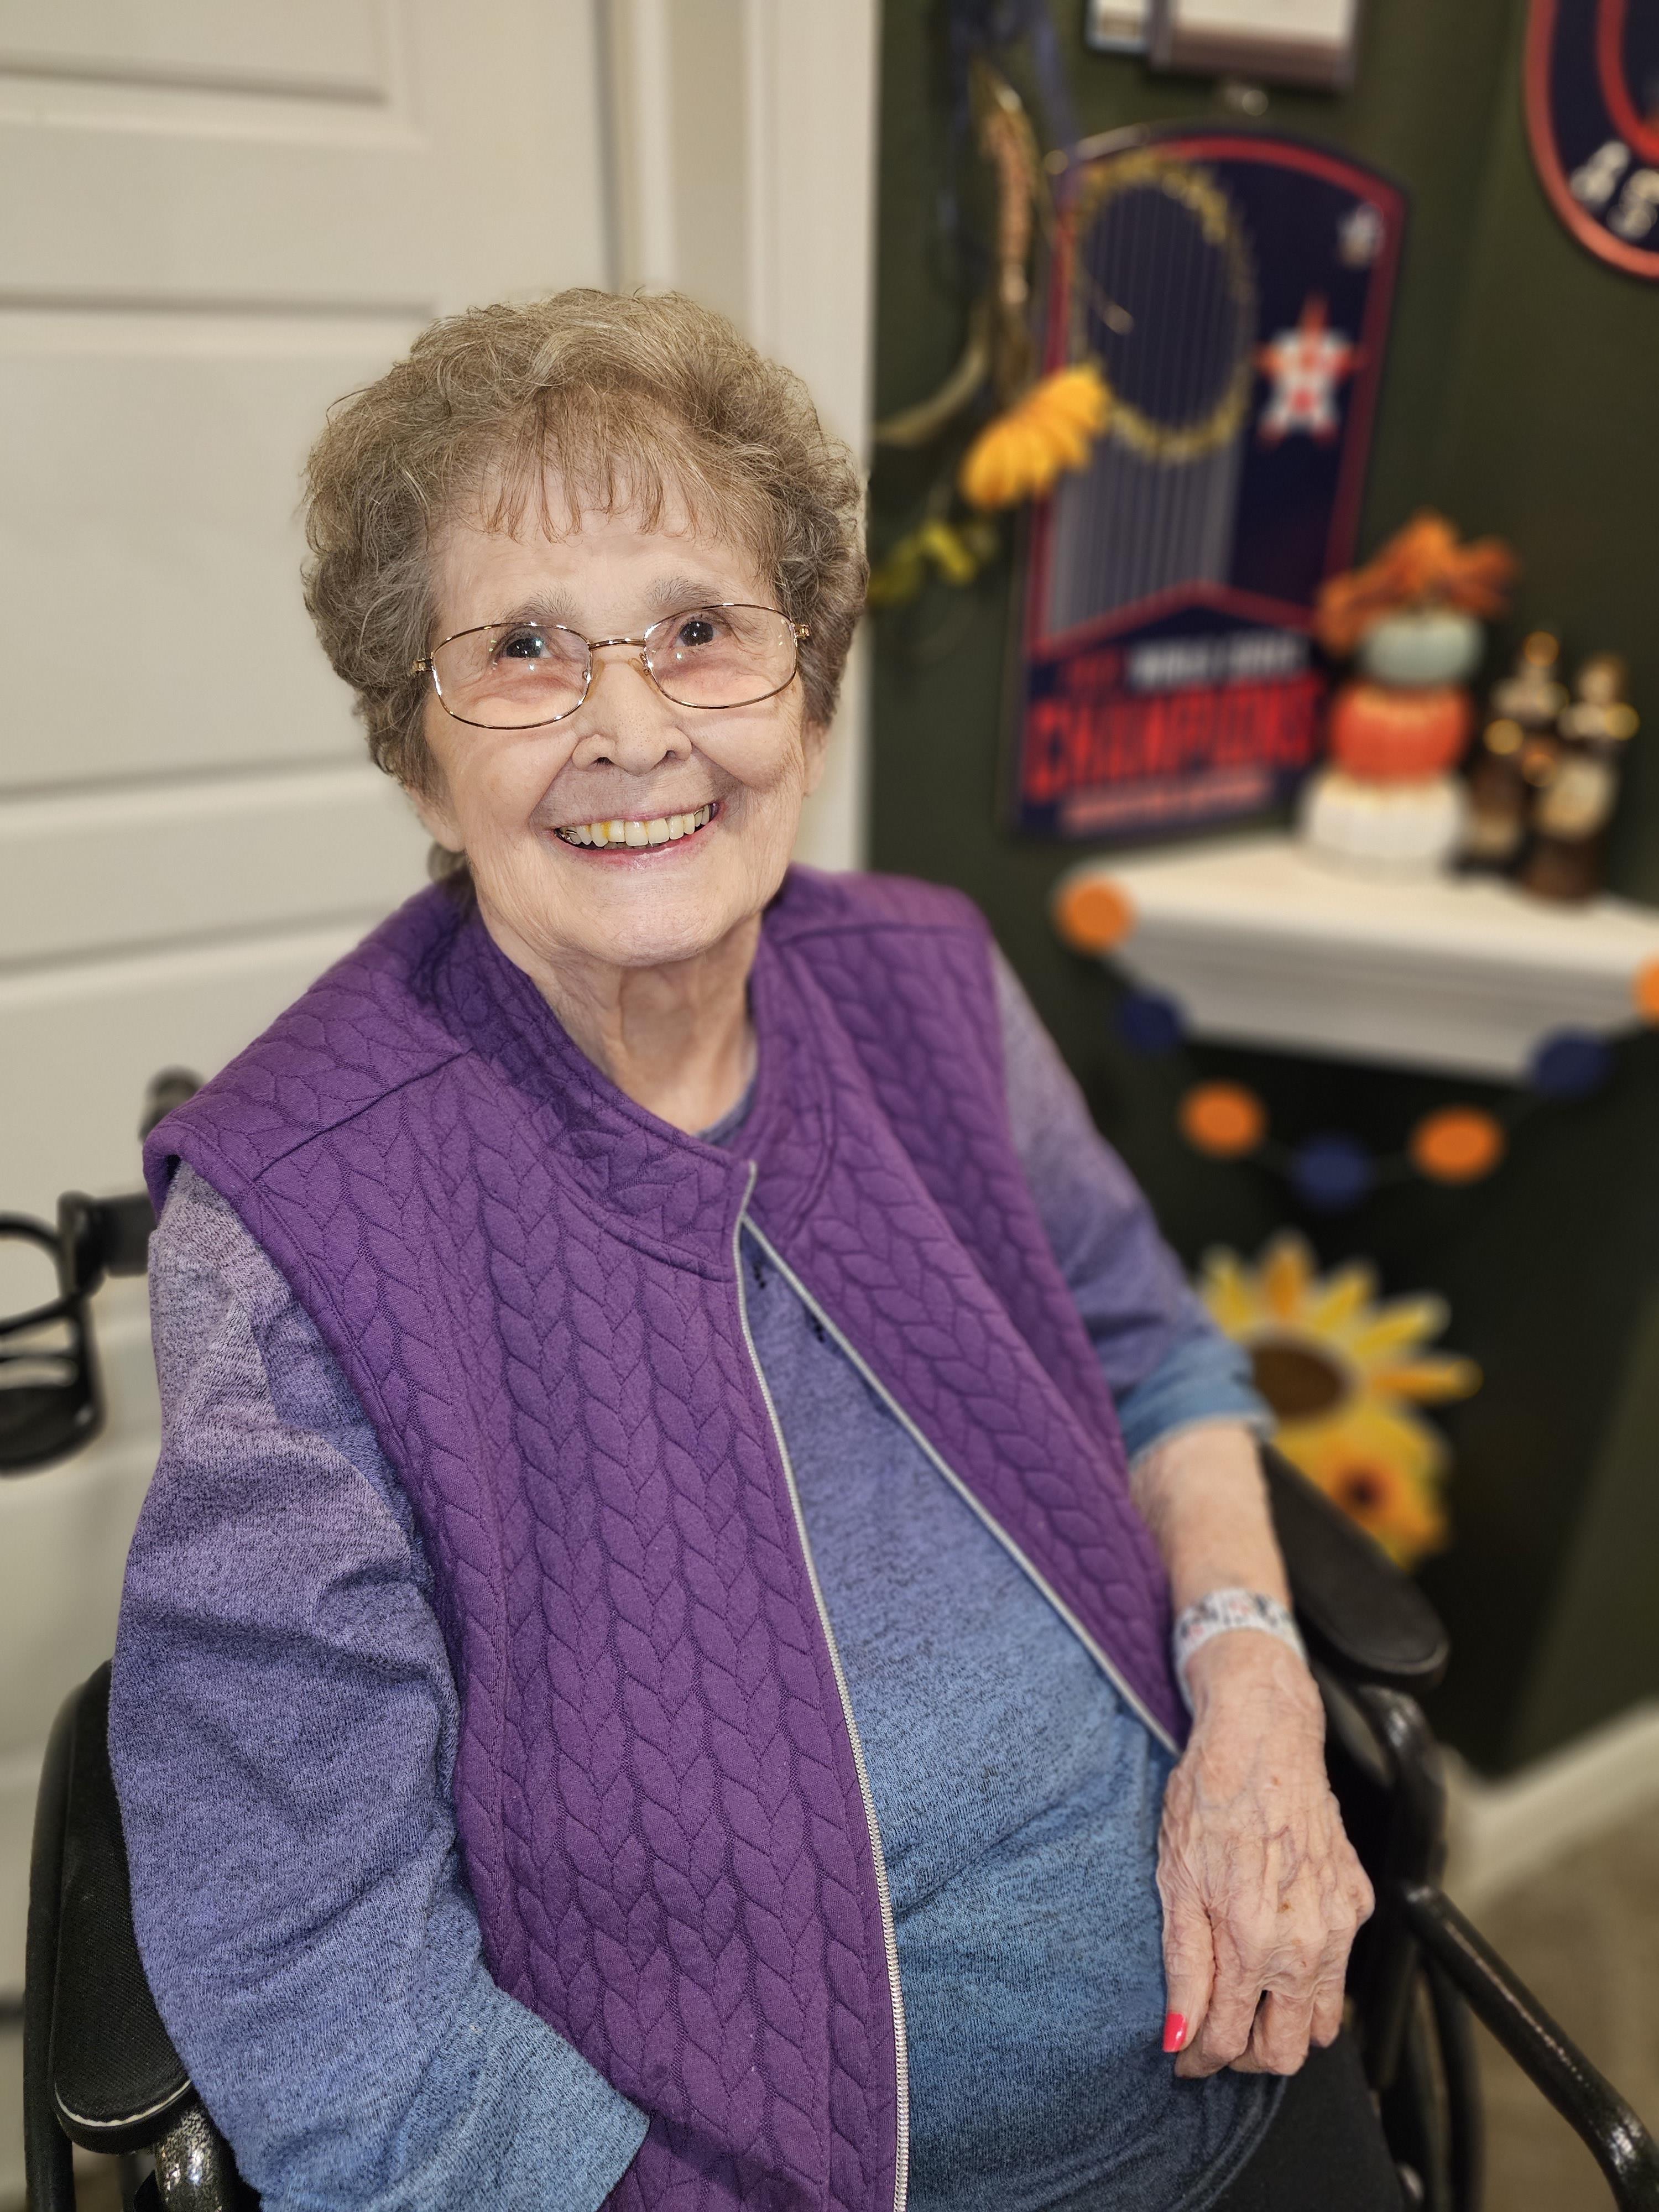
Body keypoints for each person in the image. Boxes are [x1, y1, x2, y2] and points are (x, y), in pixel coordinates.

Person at [111, 290, 1391, 2212]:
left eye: (701, 631)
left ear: (806, 687)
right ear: (416, 746)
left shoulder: (929, 982)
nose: (634, 728)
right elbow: (320, 1984)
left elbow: (1156, 1350)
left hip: (1254, 2043)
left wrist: (1259, 1702)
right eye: (525, 652)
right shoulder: (294, 1223)